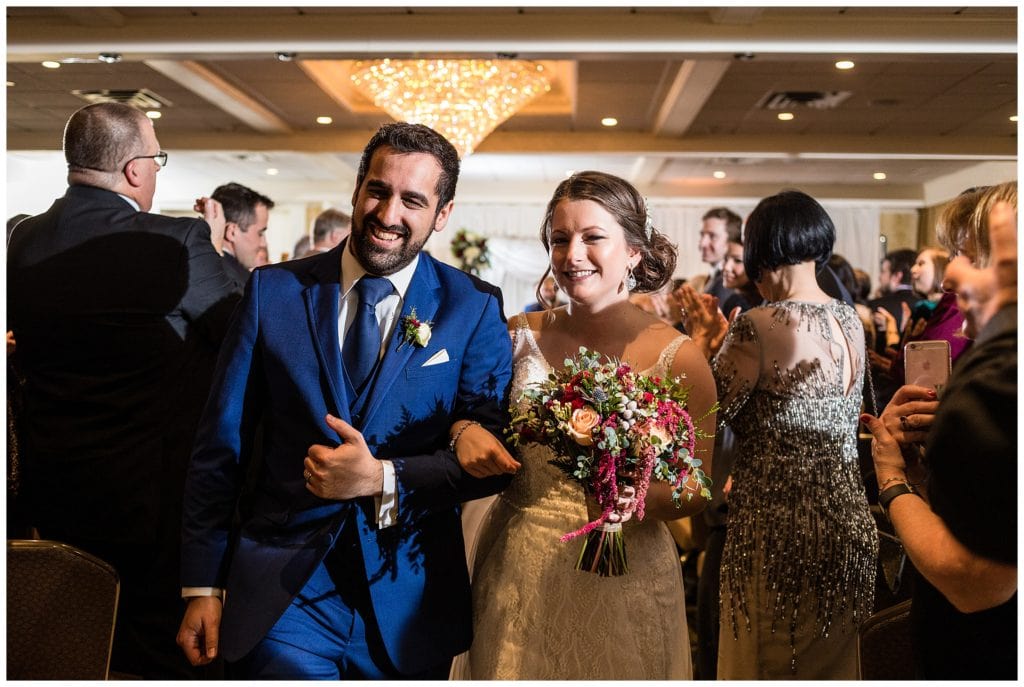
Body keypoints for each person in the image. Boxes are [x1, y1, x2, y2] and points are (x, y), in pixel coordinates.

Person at [176, 122, 515, 679]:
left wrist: (383, 478)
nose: (388, 214)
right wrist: (203, 583)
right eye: (378, 190)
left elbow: (489, 463)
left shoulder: (471, 307)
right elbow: (220, 448)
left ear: (442, 214)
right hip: (285, 591)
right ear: (357, 190)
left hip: (408, 597)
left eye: (412, 200)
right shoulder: (273, 291)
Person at [6, 101, 240, 678]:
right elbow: (237, 334)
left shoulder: (21, 239)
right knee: (150, 654)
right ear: (135, 170)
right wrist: (220, 251)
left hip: (51, 493)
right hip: (151, 502)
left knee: (66, 645)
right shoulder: (178, 240)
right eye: (156, 158)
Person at [455, 171, 717, 679]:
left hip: (627, 575)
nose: (572, 254)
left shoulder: (680, 358)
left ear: (634, 252)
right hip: (520, 562)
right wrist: (461, 432)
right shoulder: (514, 337)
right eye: (560, 239)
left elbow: (696, 488)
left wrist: (635, 499)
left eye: (593, 237)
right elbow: (463, 416)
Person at [679, 190, 877, 679]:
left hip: (778, 529)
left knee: (768, 658)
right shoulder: (851, 319)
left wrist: (703, 343)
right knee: (829, 663)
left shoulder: (757, 326)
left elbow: (701, 416)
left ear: (759, 250)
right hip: (847, 522)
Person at [861, 183, 1016, 679]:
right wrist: (929, 473)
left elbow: (974, 581)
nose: (949, 276)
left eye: (969, 255)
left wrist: (892, 480)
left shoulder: (1002, 381)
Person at [202, 182, 274, 288]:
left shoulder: (199, 265)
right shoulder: (238, 283)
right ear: (232, 232)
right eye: (260, 233)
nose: (263, 243)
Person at [698, 206, 742, 306]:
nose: (702, 243)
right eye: (702, 235)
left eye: (712, 236)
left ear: (731, 240)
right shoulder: (713, 277)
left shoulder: (728, 282)